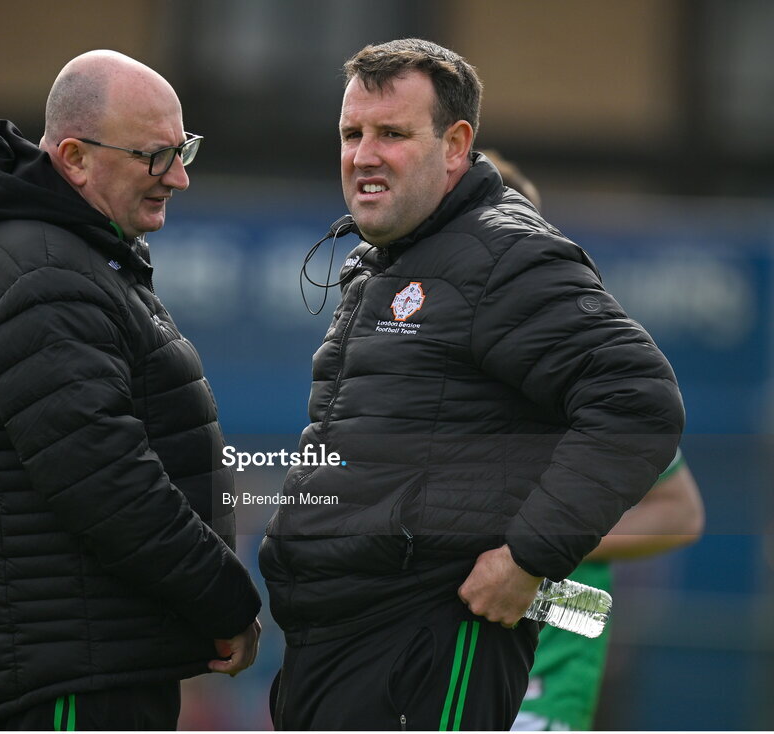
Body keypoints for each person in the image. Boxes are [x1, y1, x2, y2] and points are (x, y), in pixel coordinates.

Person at [258, 38, 685, 731]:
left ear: (456, 144)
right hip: (336, 648)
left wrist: (527, 557)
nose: (363, 154)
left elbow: (638, 402)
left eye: (392, 133)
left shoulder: (505, 254)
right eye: (351, 133)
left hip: (426, 650)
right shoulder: (388, 262)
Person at [0, 50, 262, 731]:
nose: (182, 177)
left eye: (184, 148)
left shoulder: (66, 252)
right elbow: (108, 481)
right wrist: (226, 601)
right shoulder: (42, 269)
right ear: (75, 158)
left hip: (92, 669)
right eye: (157, 155)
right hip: (73, 686)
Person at [482, 150, 706, 731]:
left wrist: (542, 546)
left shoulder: (577, 370)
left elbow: (680, 513)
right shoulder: (408, 359)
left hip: (543, 689)